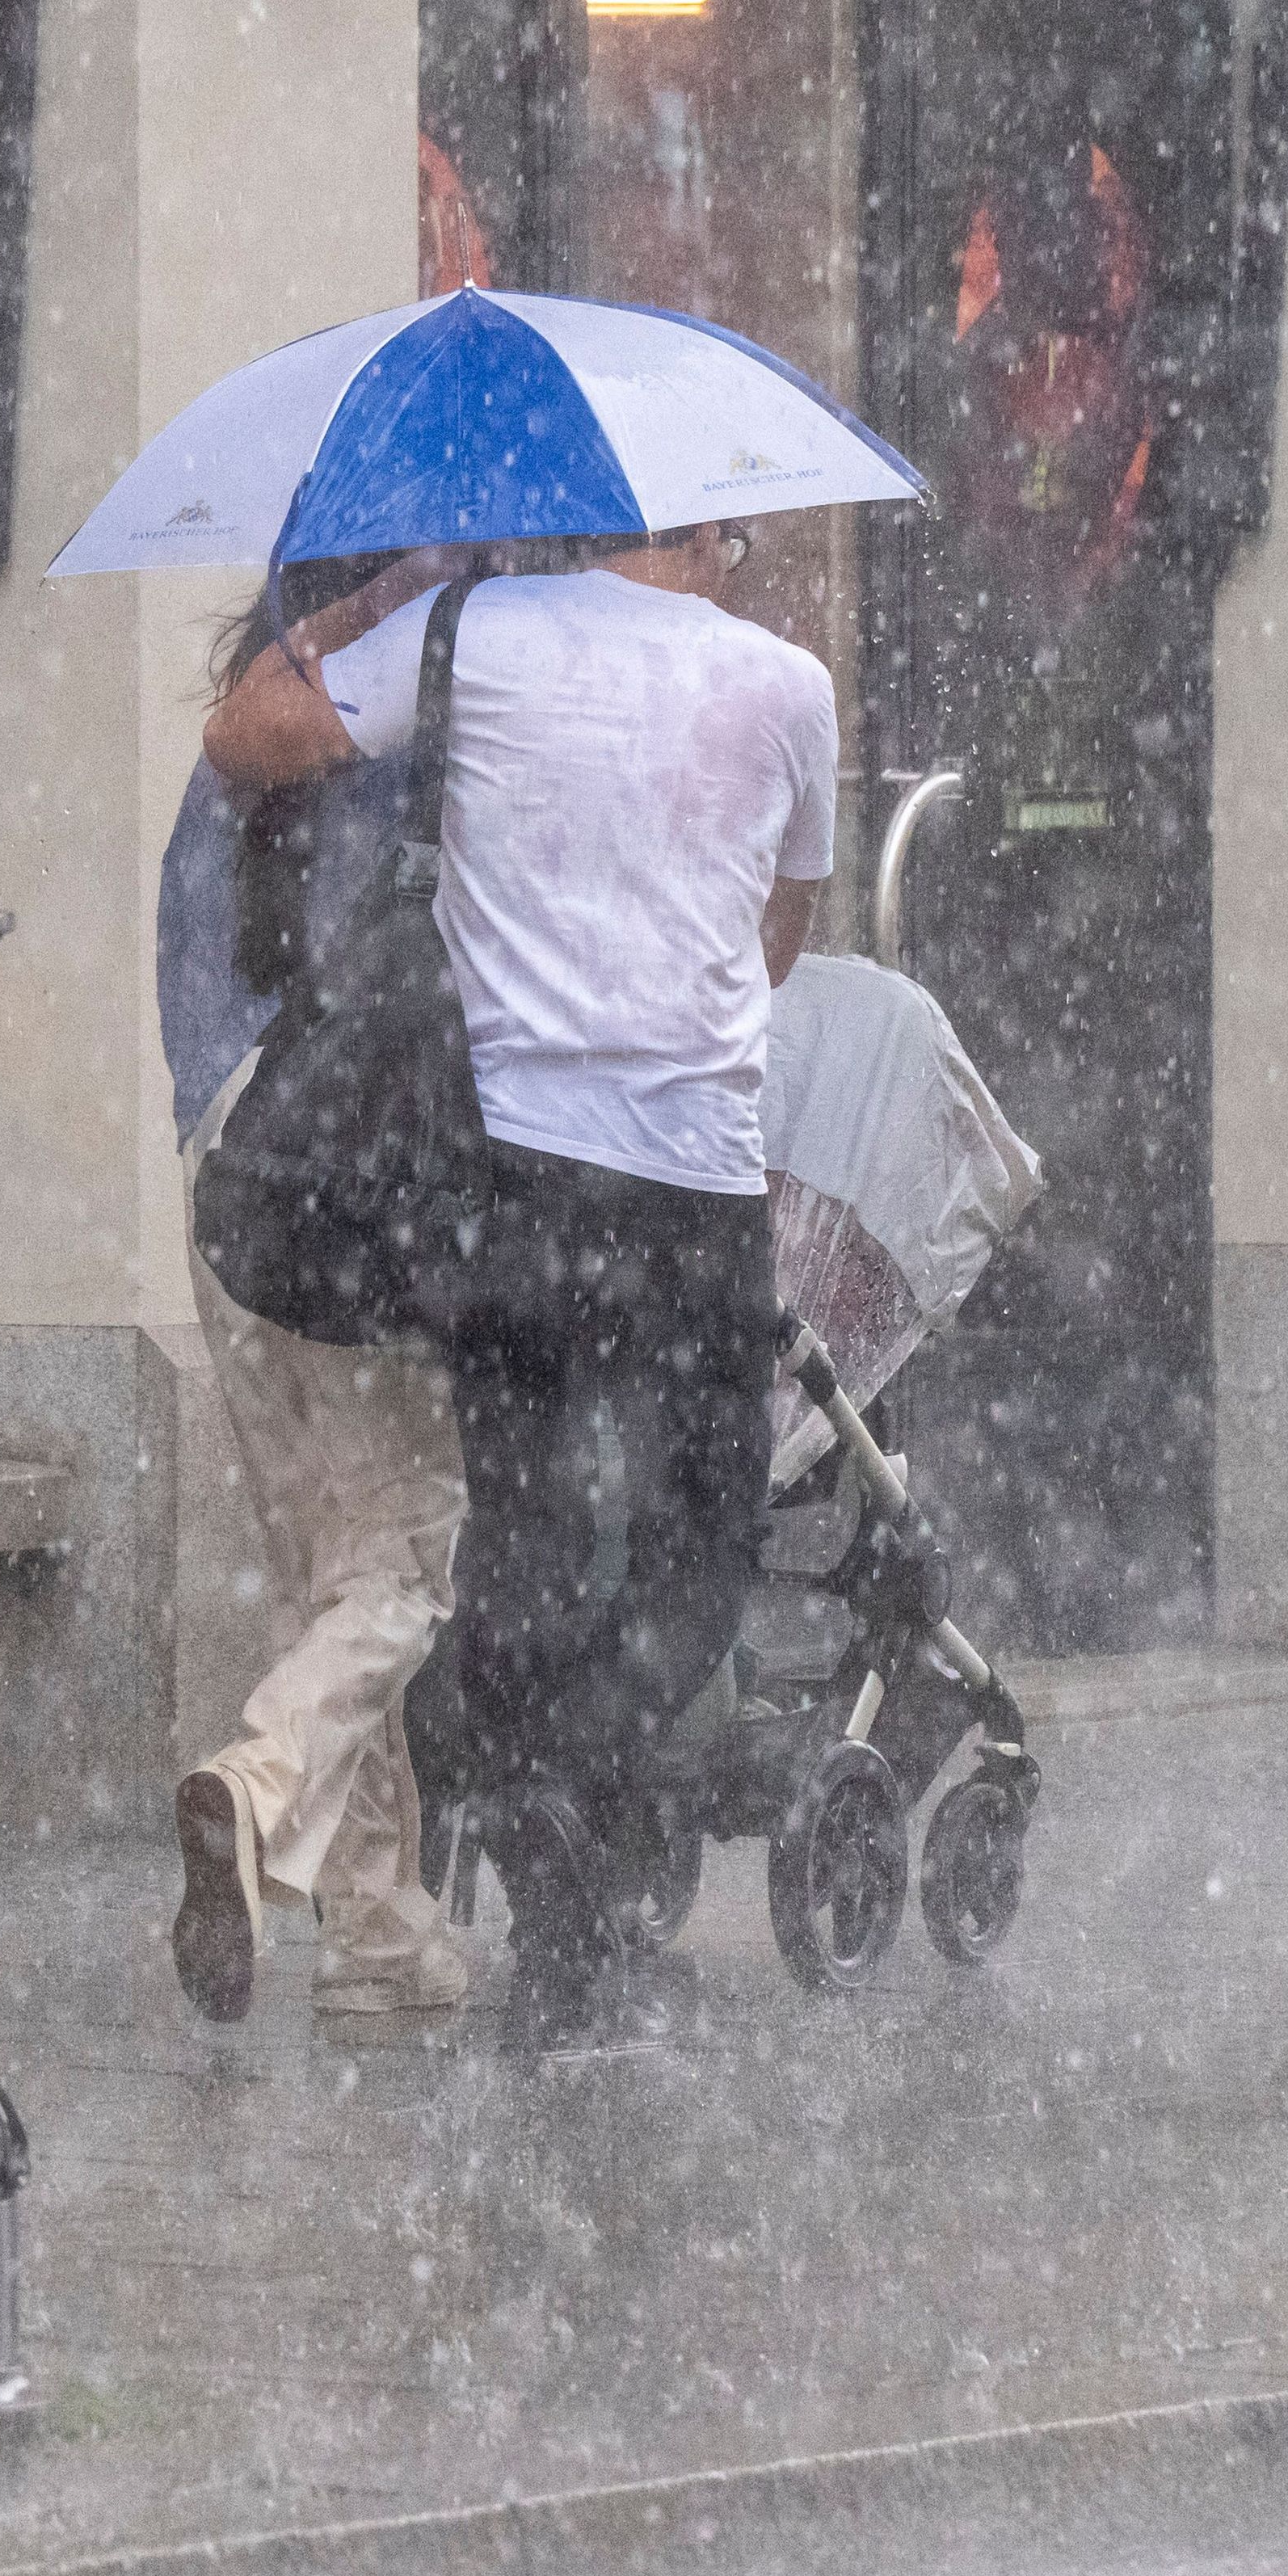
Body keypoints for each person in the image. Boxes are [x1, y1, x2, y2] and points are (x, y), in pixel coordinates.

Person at [201, 517, 832, 2052]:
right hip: (691, 1182)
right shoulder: (786, 683)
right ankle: (574, 1794)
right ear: (719, 529)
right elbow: (781, 938)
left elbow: (248, 733)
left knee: (532, 1527)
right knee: (700, 1538)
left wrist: (393, 600)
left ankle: (539, 1836)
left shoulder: (473, 639)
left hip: (514, 1182)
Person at [160, 549, 481, 2027]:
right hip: (358, 1172)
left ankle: (376, 1932)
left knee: (322, 1565)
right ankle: (255, 1778)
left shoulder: (231, 751)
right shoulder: (413, 734)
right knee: (404, 1560)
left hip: (225, 1174)